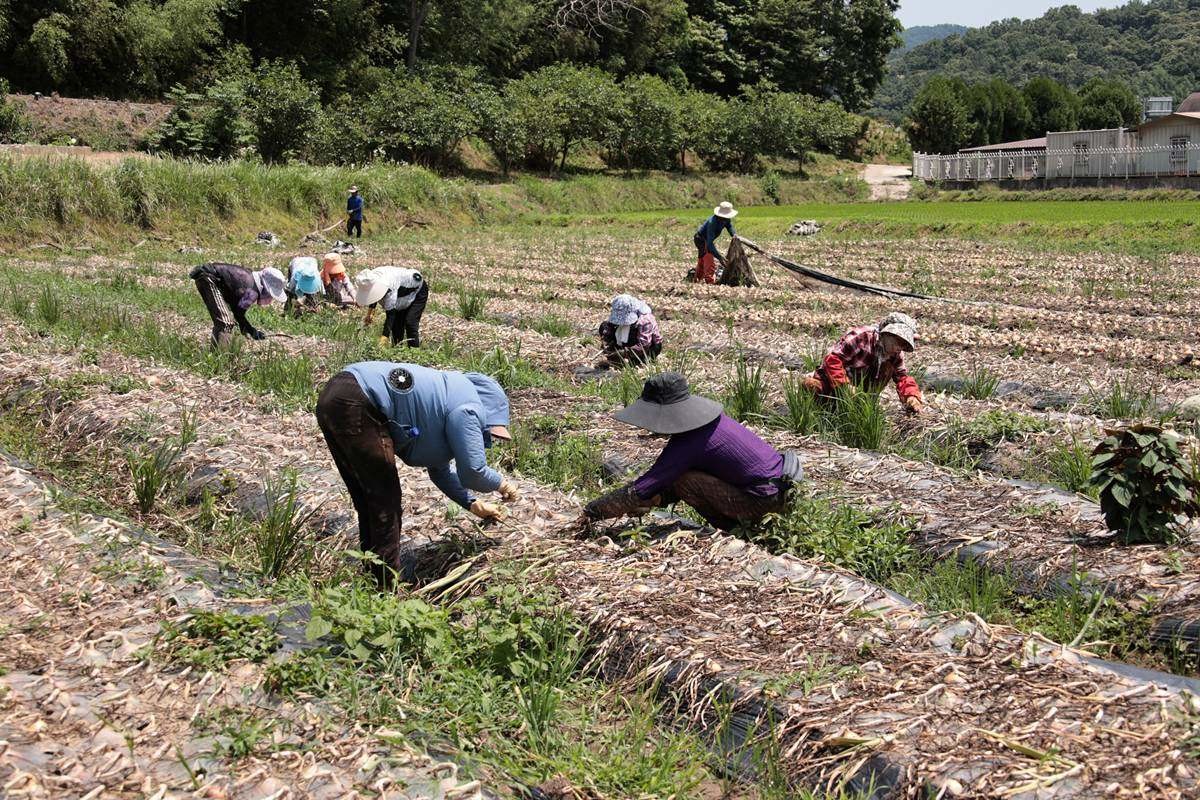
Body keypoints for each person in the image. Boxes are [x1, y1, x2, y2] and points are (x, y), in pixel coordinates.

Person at [316, 362, 520, 586]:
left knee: (367, 499)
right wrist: (502, 484)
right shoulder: (469, 409)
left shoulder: (447, 396)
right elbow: (473, 471)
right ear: (489, 410)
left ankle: (371, 580)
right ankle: (385, 589)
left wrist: (472, 503)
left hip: (335, 395)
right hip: (359, 400)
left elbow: (440, 471)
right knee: (386, 503)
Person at [580, 373, 803, 532]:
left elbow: (643, 488)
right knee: (681, 478)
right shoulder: (713, 424)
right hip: (780, 488)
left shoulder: (689, 442)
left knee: (685, 481)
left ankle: (737, 533)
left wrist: (592, 512)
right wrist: (656, 499)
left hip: (765, 500)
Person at [802, 312, 924, 414]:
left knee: (887, 367)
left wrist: (911, 396)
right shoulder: (862, 337)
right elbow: (833, 360)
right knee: (813, 387)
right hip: (835, 383)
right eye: (897, 341)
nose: (899, 348)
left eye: (903, 344)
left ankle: (862, 404)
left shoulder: (895, 354)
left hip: (861, 391)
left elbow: (902, 378)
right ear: (886, 333)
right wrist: (844, 386)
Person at [188, 262, 286, 346]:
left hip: (206, 274)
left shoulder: (250, 278)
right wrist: (252, 331)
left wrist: (247, 329)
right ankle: (220, 355)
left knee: (226, 320)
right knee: (225, 322)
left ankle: (221, 352)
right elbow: (238, 314)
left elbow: (236, 311)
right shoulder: (252, 292)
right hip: (209, 278)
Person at [355, 266, 428, 348]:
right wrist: (370, 313)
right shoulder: (370, 278)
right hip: (402, 293)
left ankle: (414, 351)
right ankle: (397, 350)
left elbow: (391, 315)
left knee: (410, 323)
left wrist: (384, 337)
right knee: (396, 326)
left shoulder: (389, 285)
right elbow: (372, 294)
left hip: (418, 290)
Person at [596, 294, 663, 368]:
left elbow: (644, 344)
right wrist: (605, 339)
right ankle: (616, 349)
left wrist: (625, 353)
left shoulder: (645, 320)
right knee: (604, 326)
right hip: (629, 337)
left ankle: (636, 359)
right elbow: (610, 326)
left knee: (633, 360)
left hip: (650, 347)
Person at [693, 201, 738, 284]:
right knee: (709, 260)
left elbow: (729, 226)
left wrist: (734, 236)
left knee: (702, 260)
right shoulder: (712, 223)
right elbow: (709, 244)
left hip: (706, 240)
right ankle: (710, 282)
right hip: (701, 239)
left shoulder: (726, 220)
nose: (726, 219)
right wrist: (720, 257)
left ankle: (696, 279)